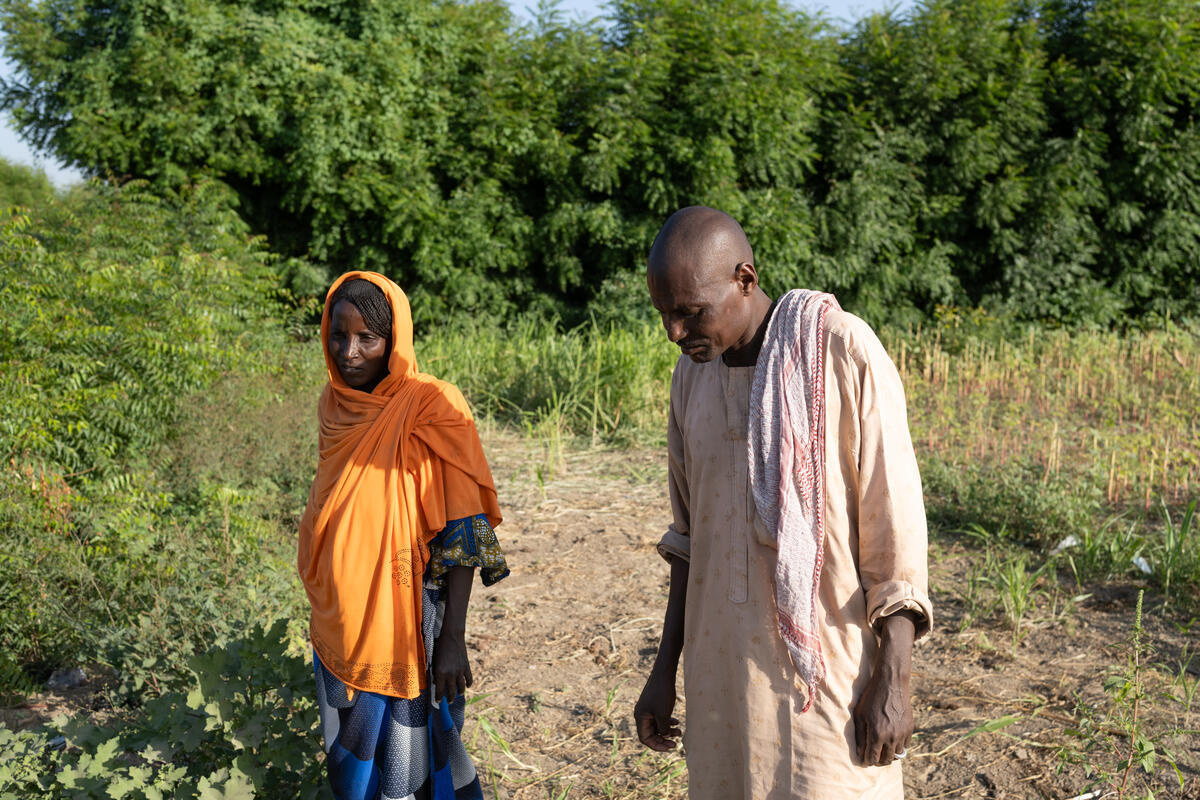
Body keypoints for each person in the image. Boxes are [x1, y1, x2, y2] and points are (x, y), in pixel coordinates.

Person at [633, 207, 933, 799]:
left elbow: (894, 537)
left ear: (745, 279)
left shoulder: (842, 353)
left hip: (828, 678)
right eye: (664, 313)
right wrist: (663, 668)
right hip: (720, 674)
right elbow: (688, 542)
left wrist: (894, 681)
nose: (674, 330)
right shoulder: (690, 378)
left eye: (691, 311)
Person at [298, 271, 509, 800]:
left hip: (411, 624)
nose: (350, 351)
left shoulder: (433, 405)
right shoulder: (334, 404)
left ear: (394, 342)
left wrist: (454, 639)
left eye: (367, 338)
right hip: (338, 620)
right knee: (351, 770)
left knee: (417, 763)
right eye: (338, 335)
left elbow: (464, 529)